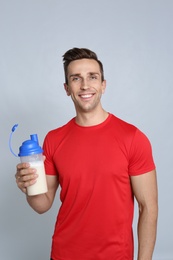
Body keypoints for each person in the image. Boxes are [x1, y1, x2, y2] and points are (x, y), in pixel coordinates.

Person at [15, 47, 158, 260]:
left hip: (116, 255)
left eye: (92, 77)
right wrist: (29, 187)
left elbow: (148, 207)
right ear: (66, 88)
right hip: (64, 254)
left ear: (103, 85)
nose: (84, 85)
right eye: (76, 78)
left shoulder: (133, 138)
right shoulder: (54, 139)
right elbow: (42, 205)